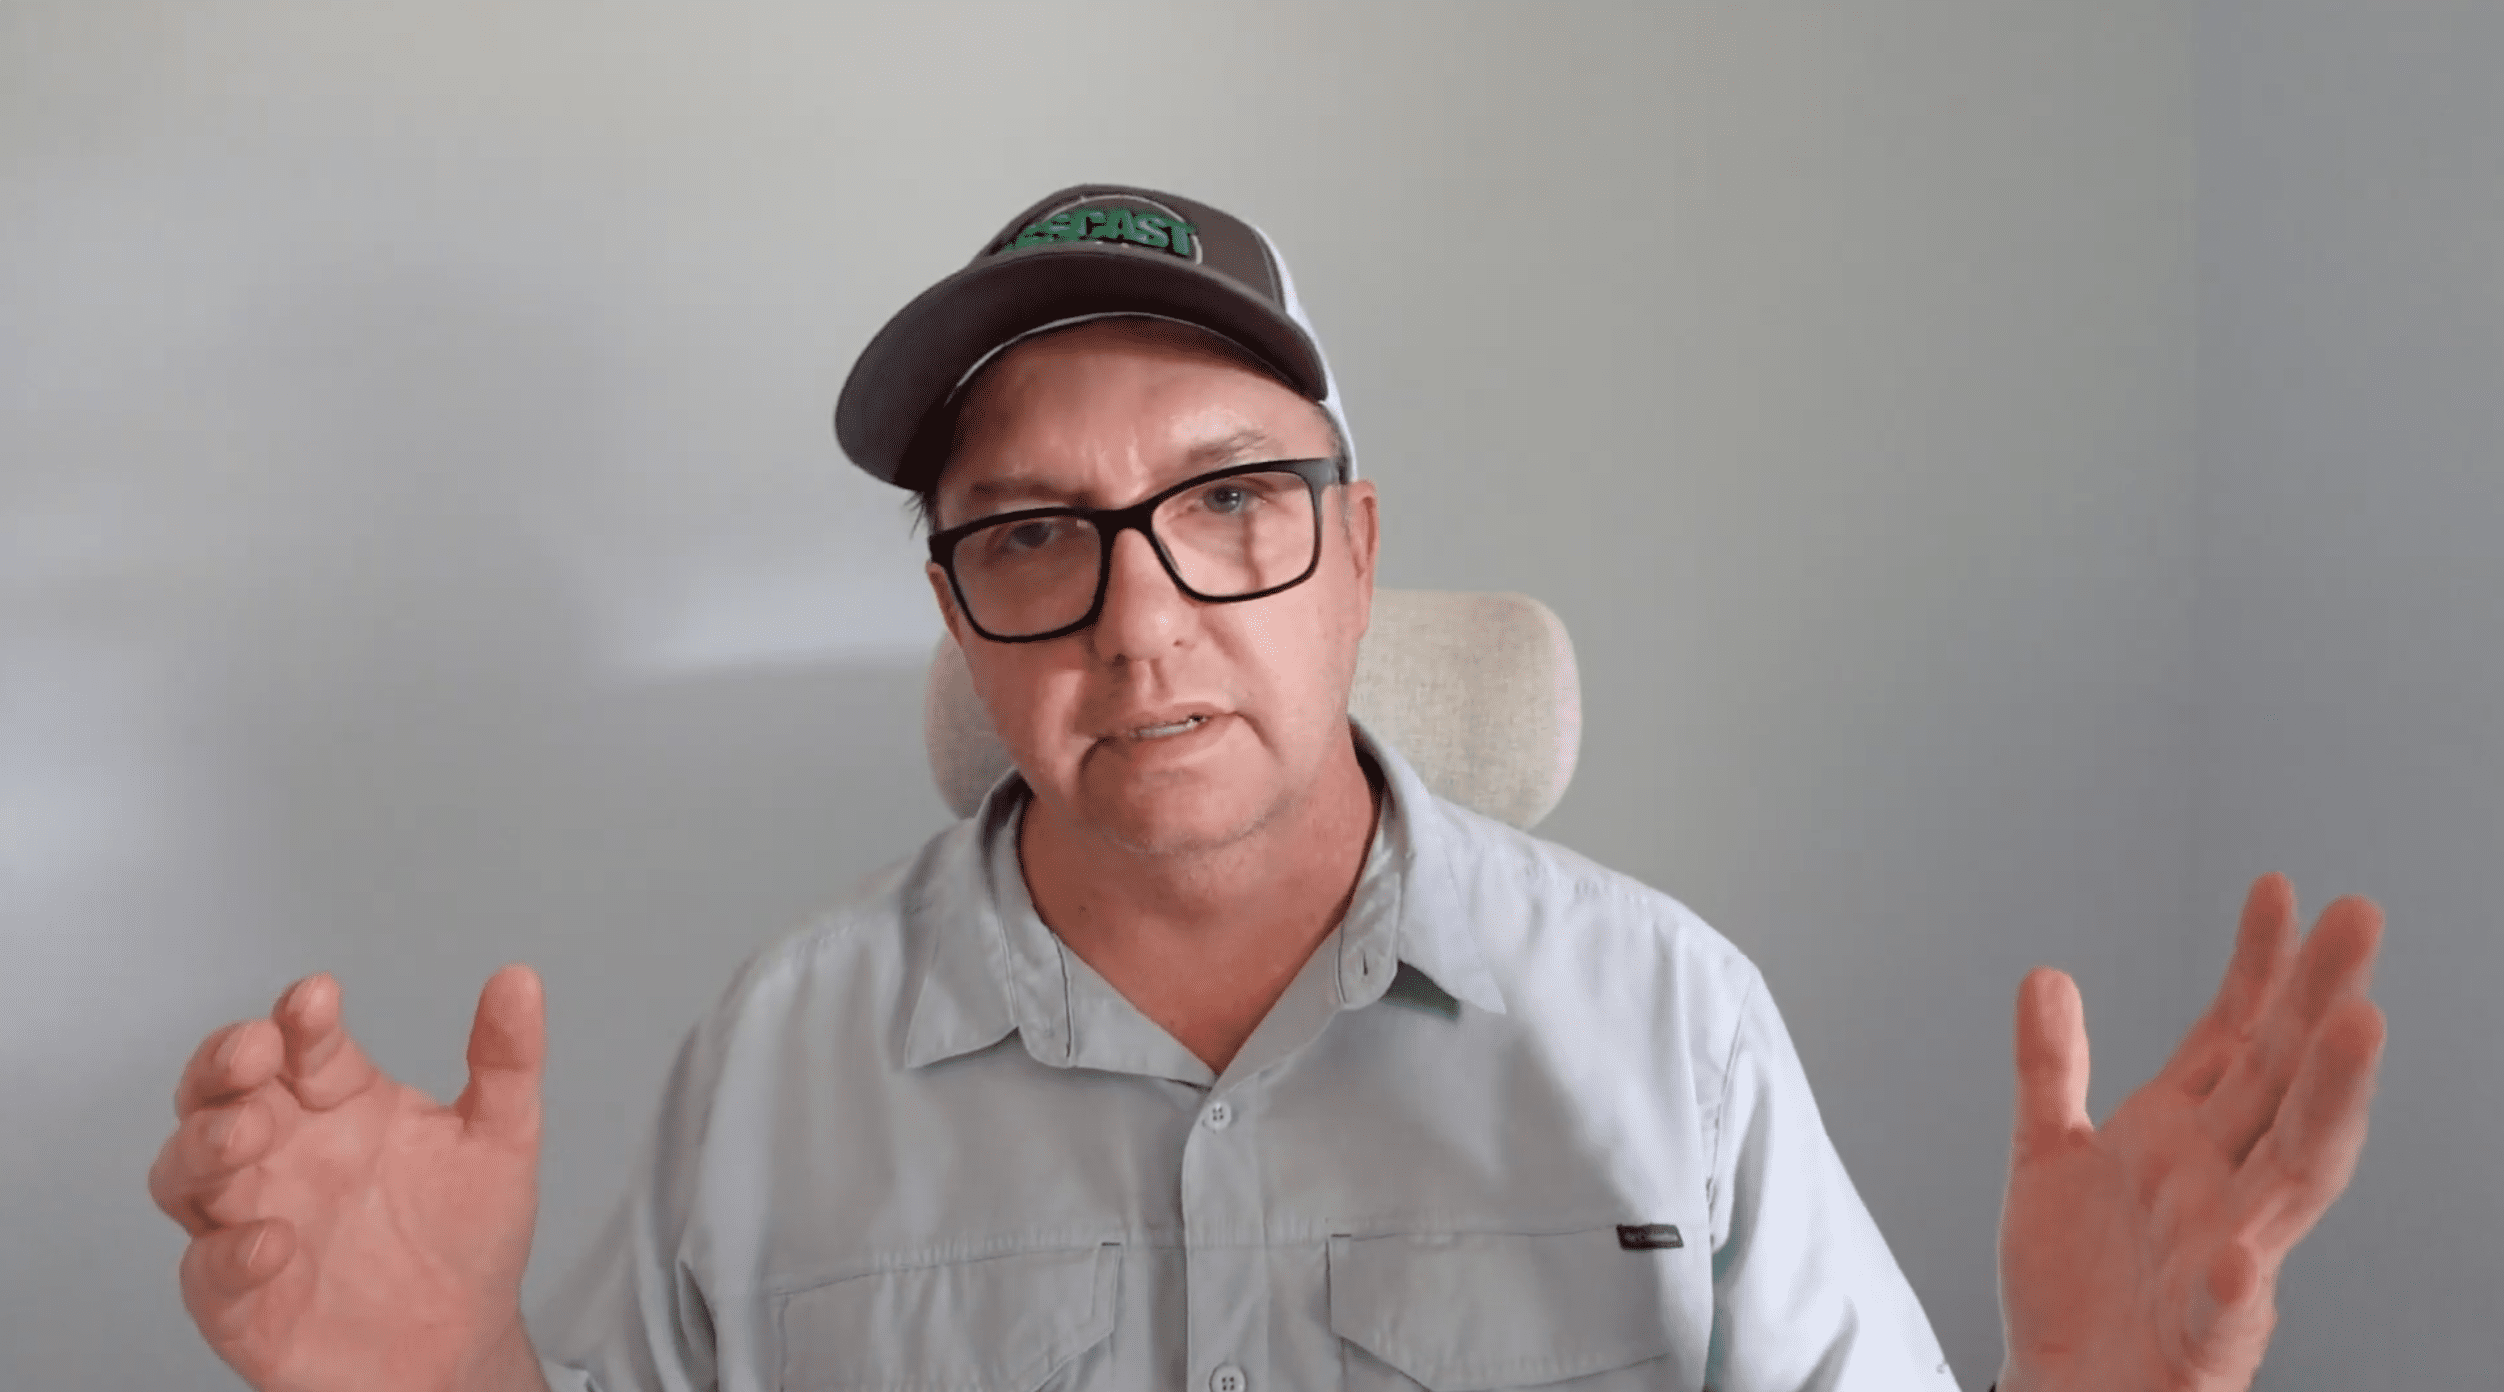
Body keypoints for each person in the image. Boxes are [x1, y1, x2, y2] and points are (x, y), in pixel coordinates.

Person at [148, 185, 2388, 1392]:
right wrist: (435, 1380)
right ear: (958, 610)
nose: (1141, 625)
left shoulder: (1670, 1024)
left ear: (1359, 552)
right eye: (1036, 534)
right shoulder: (778, 1062)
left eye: (1229, 503)